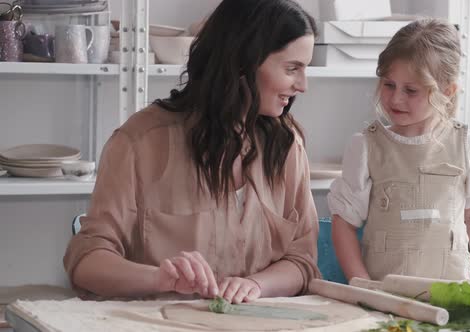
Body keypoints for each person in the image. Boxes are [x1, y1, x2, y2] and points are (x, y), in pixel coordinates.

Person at [63, 0, 320, 304]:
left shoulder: (287, 144)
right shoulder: (140, 142)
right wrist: (160, 278)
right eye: (292, 68)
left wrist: (256, 285)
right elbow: (86, 261)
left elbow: (302, 260)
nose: (302, 85)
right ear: (242, 62)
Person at [328, 18, 470, 282]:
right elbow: (344, 223)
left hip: (453, 296)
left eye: (411, 90)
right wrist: (360, 282)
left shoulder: (467, 144)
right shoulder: (365, 147)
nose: (396, 98)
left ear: (447, 91)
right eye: (389, 84)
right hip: (385, 300)